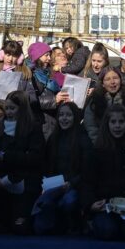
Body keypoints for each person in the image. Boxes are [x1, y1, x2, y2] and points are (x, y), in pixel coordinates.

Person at [0, 89, 44, 234]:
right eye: (7, 108)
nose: (10, 112)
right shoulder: (3, 129)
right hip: (5, 181)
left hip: (24, 182)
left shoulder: (33, 128)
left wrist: (8, 158)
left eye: (13, 108)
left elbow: (35, 158)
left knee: (20, 228)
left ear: (22, 109)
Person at [82, 106, 125, 241]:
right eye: (113, 122)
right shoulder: (97, 150)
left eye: (121, 122)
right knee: (107, 231)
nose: (117, 126)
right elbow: (87, 181)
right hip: (105, 207)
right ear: (107, 124)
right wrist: (90, 204)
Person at [33, 101, 92, 235]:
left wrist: (72, 183)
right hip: (54, 185)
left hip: (75, 186)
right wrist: (46, 181)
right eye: (61, 115)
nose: (64, 118)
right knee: (40, 224)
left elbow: (87, 169)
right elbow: (46, 165)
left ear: (75, 117)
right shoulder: (53, 138)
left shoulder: (83, 138)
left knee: (68, 201)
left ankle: (74, 222)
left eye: (68, 115)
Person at [0, 38, 35, 129]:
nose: (10, 59)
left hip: (17, 122)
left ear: (20, 58)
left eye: (14, 55)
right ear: (2, 55)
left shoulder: (25, 74)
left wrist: (21, 97)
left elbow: (32, 98)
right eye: (8, 54)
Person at [84, 67, 125, 145]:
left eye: (115, 78)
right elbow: (90, 125)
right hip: (101, 145)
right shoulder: (94, 101)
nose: (112, 82)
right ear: (102, 84)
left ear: (121, 80)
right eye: (107, 79)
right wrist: (99, 143)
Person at [28, 40, 69, 138]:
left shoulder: (46, 73)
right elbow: (31, 100)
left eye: (49, 55)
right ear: (38, 56)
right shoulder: (30, 75)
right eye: (46, 55)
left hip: (50, 120)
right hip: (40, 123)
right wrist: (54, 100)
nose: (49, 58)